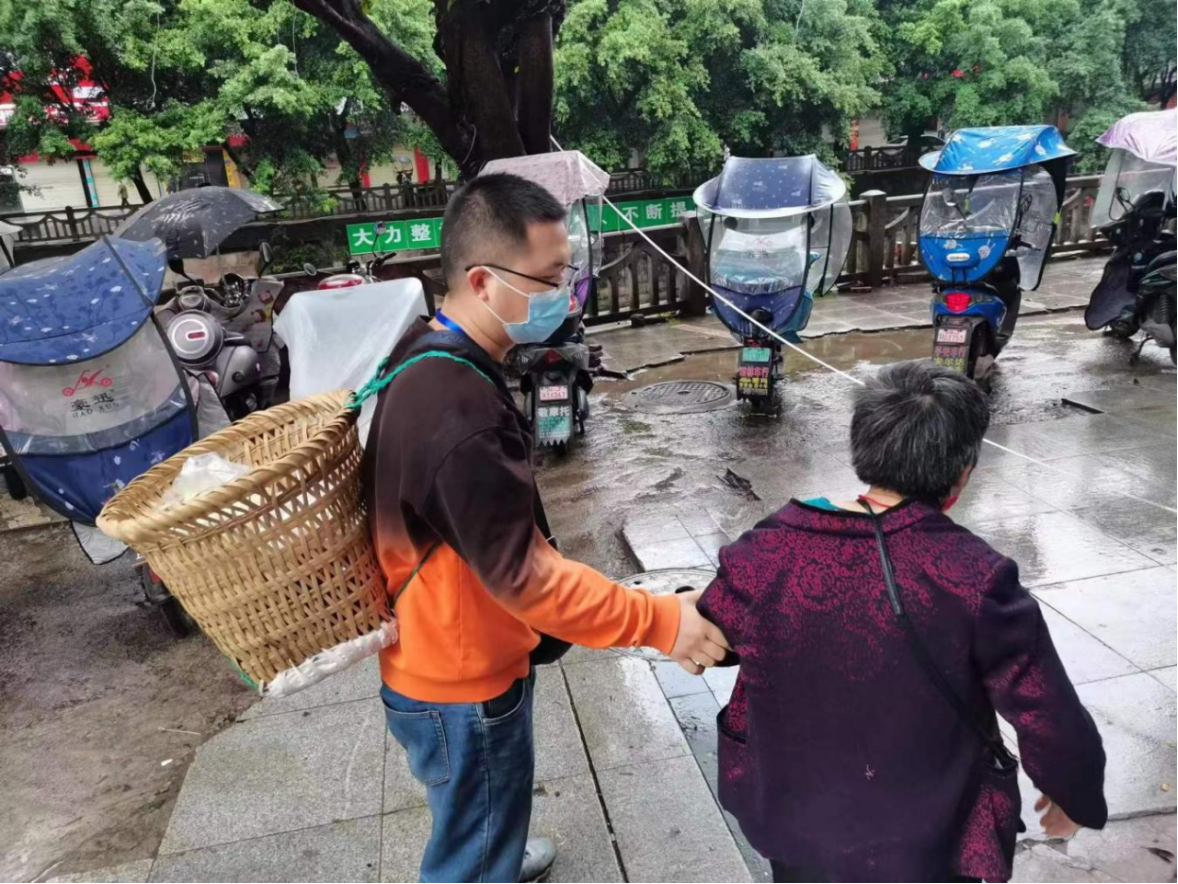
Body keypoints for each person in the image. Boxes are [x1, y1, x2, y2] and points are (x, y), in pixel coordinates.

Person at [362, 173, 729, 884]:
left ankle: (492, 842)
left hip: (437, 650)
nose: (567, 293)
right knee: (471, 840)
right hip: (462, 685)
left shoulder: (425, 351)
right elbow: (529, 581)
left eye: (569, 272)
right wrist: (662, 621)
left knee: (475, 807)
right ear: (482, 282)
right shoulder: (458, 410)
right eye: (551, 277)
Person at [699, 361, 1108, 884]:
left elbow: (712, 634)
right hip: (931, 840)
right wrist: (1073, 791)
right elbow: (1046, 709)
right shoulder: (975, 575)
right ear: (963, 471)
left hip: (798, 828)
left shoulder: (767, 548)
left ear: (863, 448)